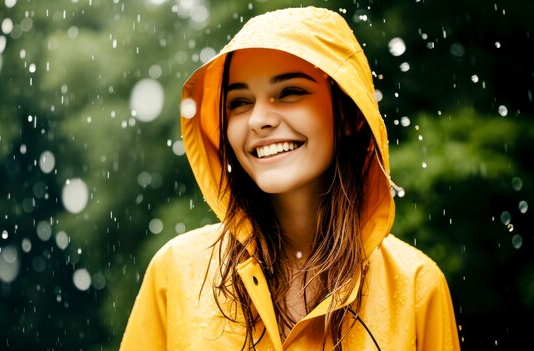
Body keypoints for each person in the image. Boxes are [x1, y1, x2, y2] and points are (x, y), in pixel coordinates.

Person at [120, 6, 460, 351]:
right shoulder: (175, 273)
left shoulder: (417, 287)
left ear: (348, 115)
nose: (259, 120)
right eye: (239, 102)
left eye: (290, 92)